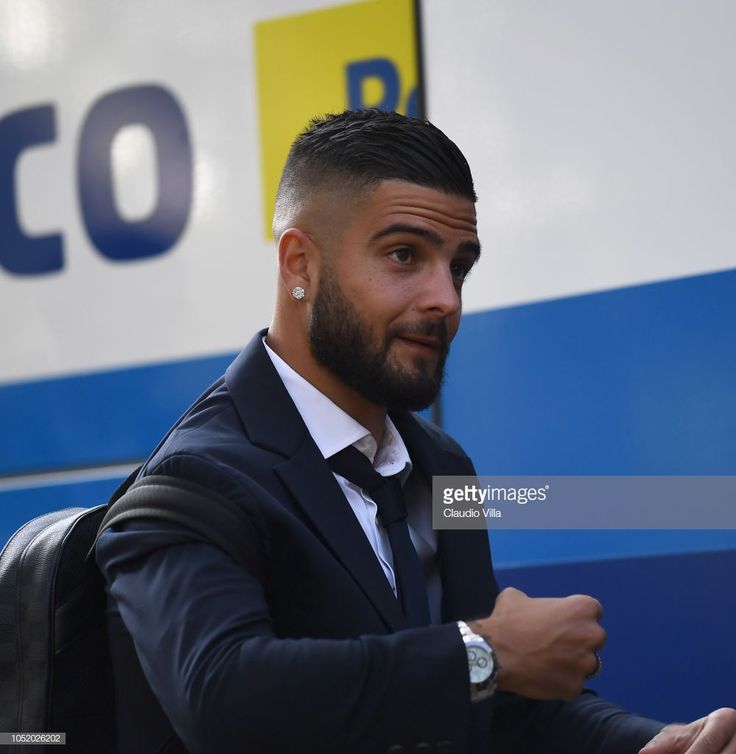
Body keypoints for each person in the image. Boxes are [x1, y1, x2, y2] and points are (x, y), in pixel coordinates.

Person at [96, 109, 736, 754]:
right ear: (300, 266)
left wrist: (656, 744)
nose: (447, 300)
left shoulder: (441, 469)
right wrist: (484, 653)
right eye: (404, 255)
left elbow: (497, 706)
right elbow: (221, 699)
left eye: (459, 267)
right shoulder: (195, 482)